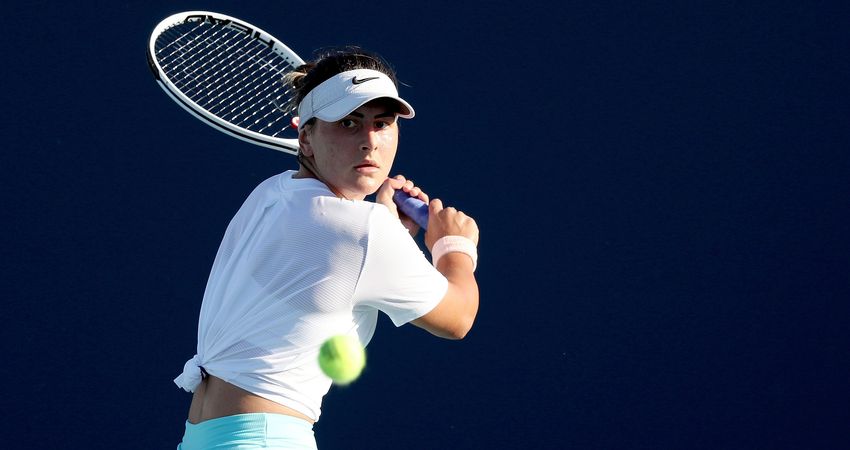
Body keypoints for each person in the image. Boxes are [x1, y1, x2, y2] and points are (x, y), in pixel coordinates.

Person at [174, 47, 481, 449]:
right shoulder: (364, 231)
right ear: (305, 137)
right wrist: (454, 246)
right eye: (349, 123)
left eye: (382, 123)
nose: (370, 141)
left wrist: (385, 223)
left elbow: (327, 266)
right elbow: (457, 319)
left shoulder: (270, 193)